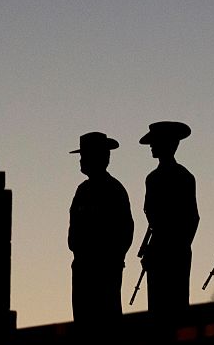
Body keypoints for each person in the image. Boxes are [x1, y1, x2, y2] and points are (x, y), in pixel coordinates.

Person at [68, 132, 134, 326]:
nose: (81, 160)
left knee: (106, 322)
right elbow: (73, 231)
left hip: (105, 270)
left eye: (85, 155)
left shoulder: (114, 190)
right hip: (82, 269)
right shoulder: (82, 191)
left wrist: (112, 259)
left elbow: (125, 231)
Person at [138, 121, 199, 315]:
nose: (151, 146)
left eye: (155, 142)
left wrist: (174, 247)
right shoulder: (155, 178)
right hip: (161, 253)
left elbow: (191, 218)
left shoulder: (182, 177)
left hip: (171, 253)